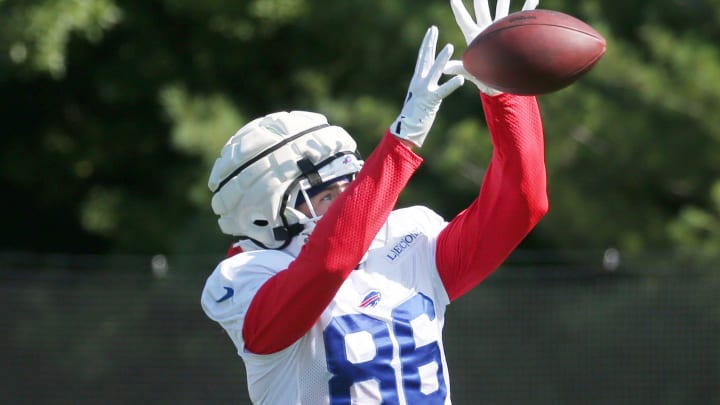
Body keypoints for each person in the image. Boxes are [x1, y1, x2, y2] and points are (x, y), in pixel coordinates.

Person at [201, 0, 548, 403]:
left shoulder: (407, 238)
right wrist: (403, 142)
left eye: (352, 183)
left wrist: (506, 92)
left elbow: (524, 202)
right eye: (328, 194)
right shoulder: (243, 278)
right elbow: (328, 264)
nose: (351, 199)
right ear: (267, 214)